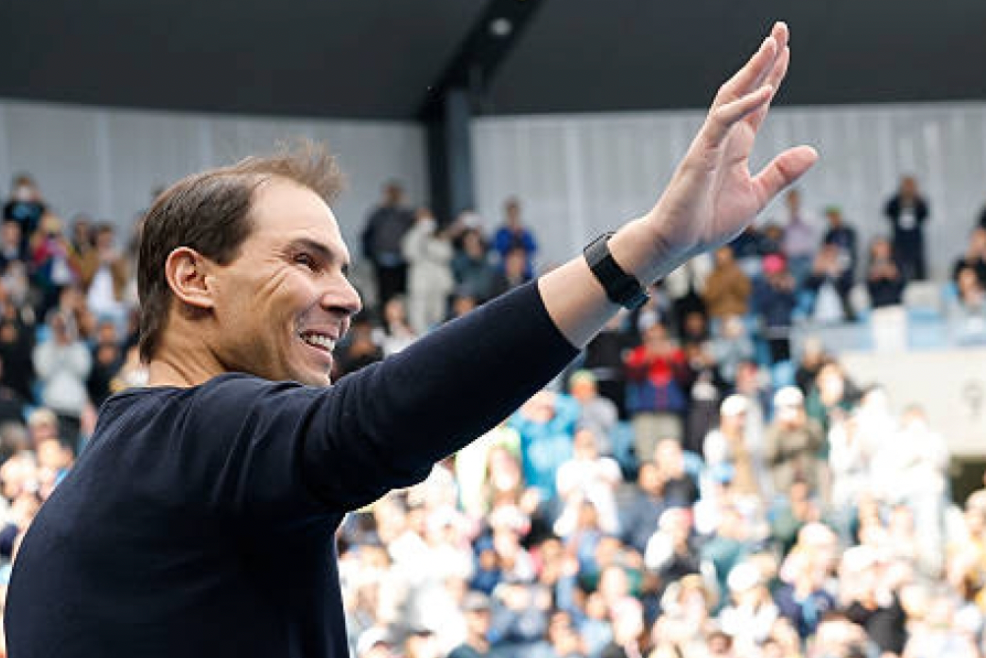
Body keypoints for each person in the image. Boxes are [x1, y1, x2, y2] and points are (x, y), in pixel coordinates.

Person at [5, 22, 816, 657]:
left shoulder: (86, 507)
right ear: (193, 278)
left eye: (344, 267)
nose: (348, 297)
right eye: (304, 261)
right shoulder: (195, 438)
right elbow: (372, 423)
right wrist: (643, 250)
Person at [884, 175, 929, 281]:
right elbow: (888, 211)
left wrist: (916, 200)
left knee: (918, 261)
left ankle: (920, 281)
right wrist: (900, 200)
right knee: (898, 260)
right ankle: (898, 281)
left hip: (914, 238)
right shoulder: (896, 200)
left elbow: (925, 214)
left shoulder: (918, 200)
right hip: (900, 237)